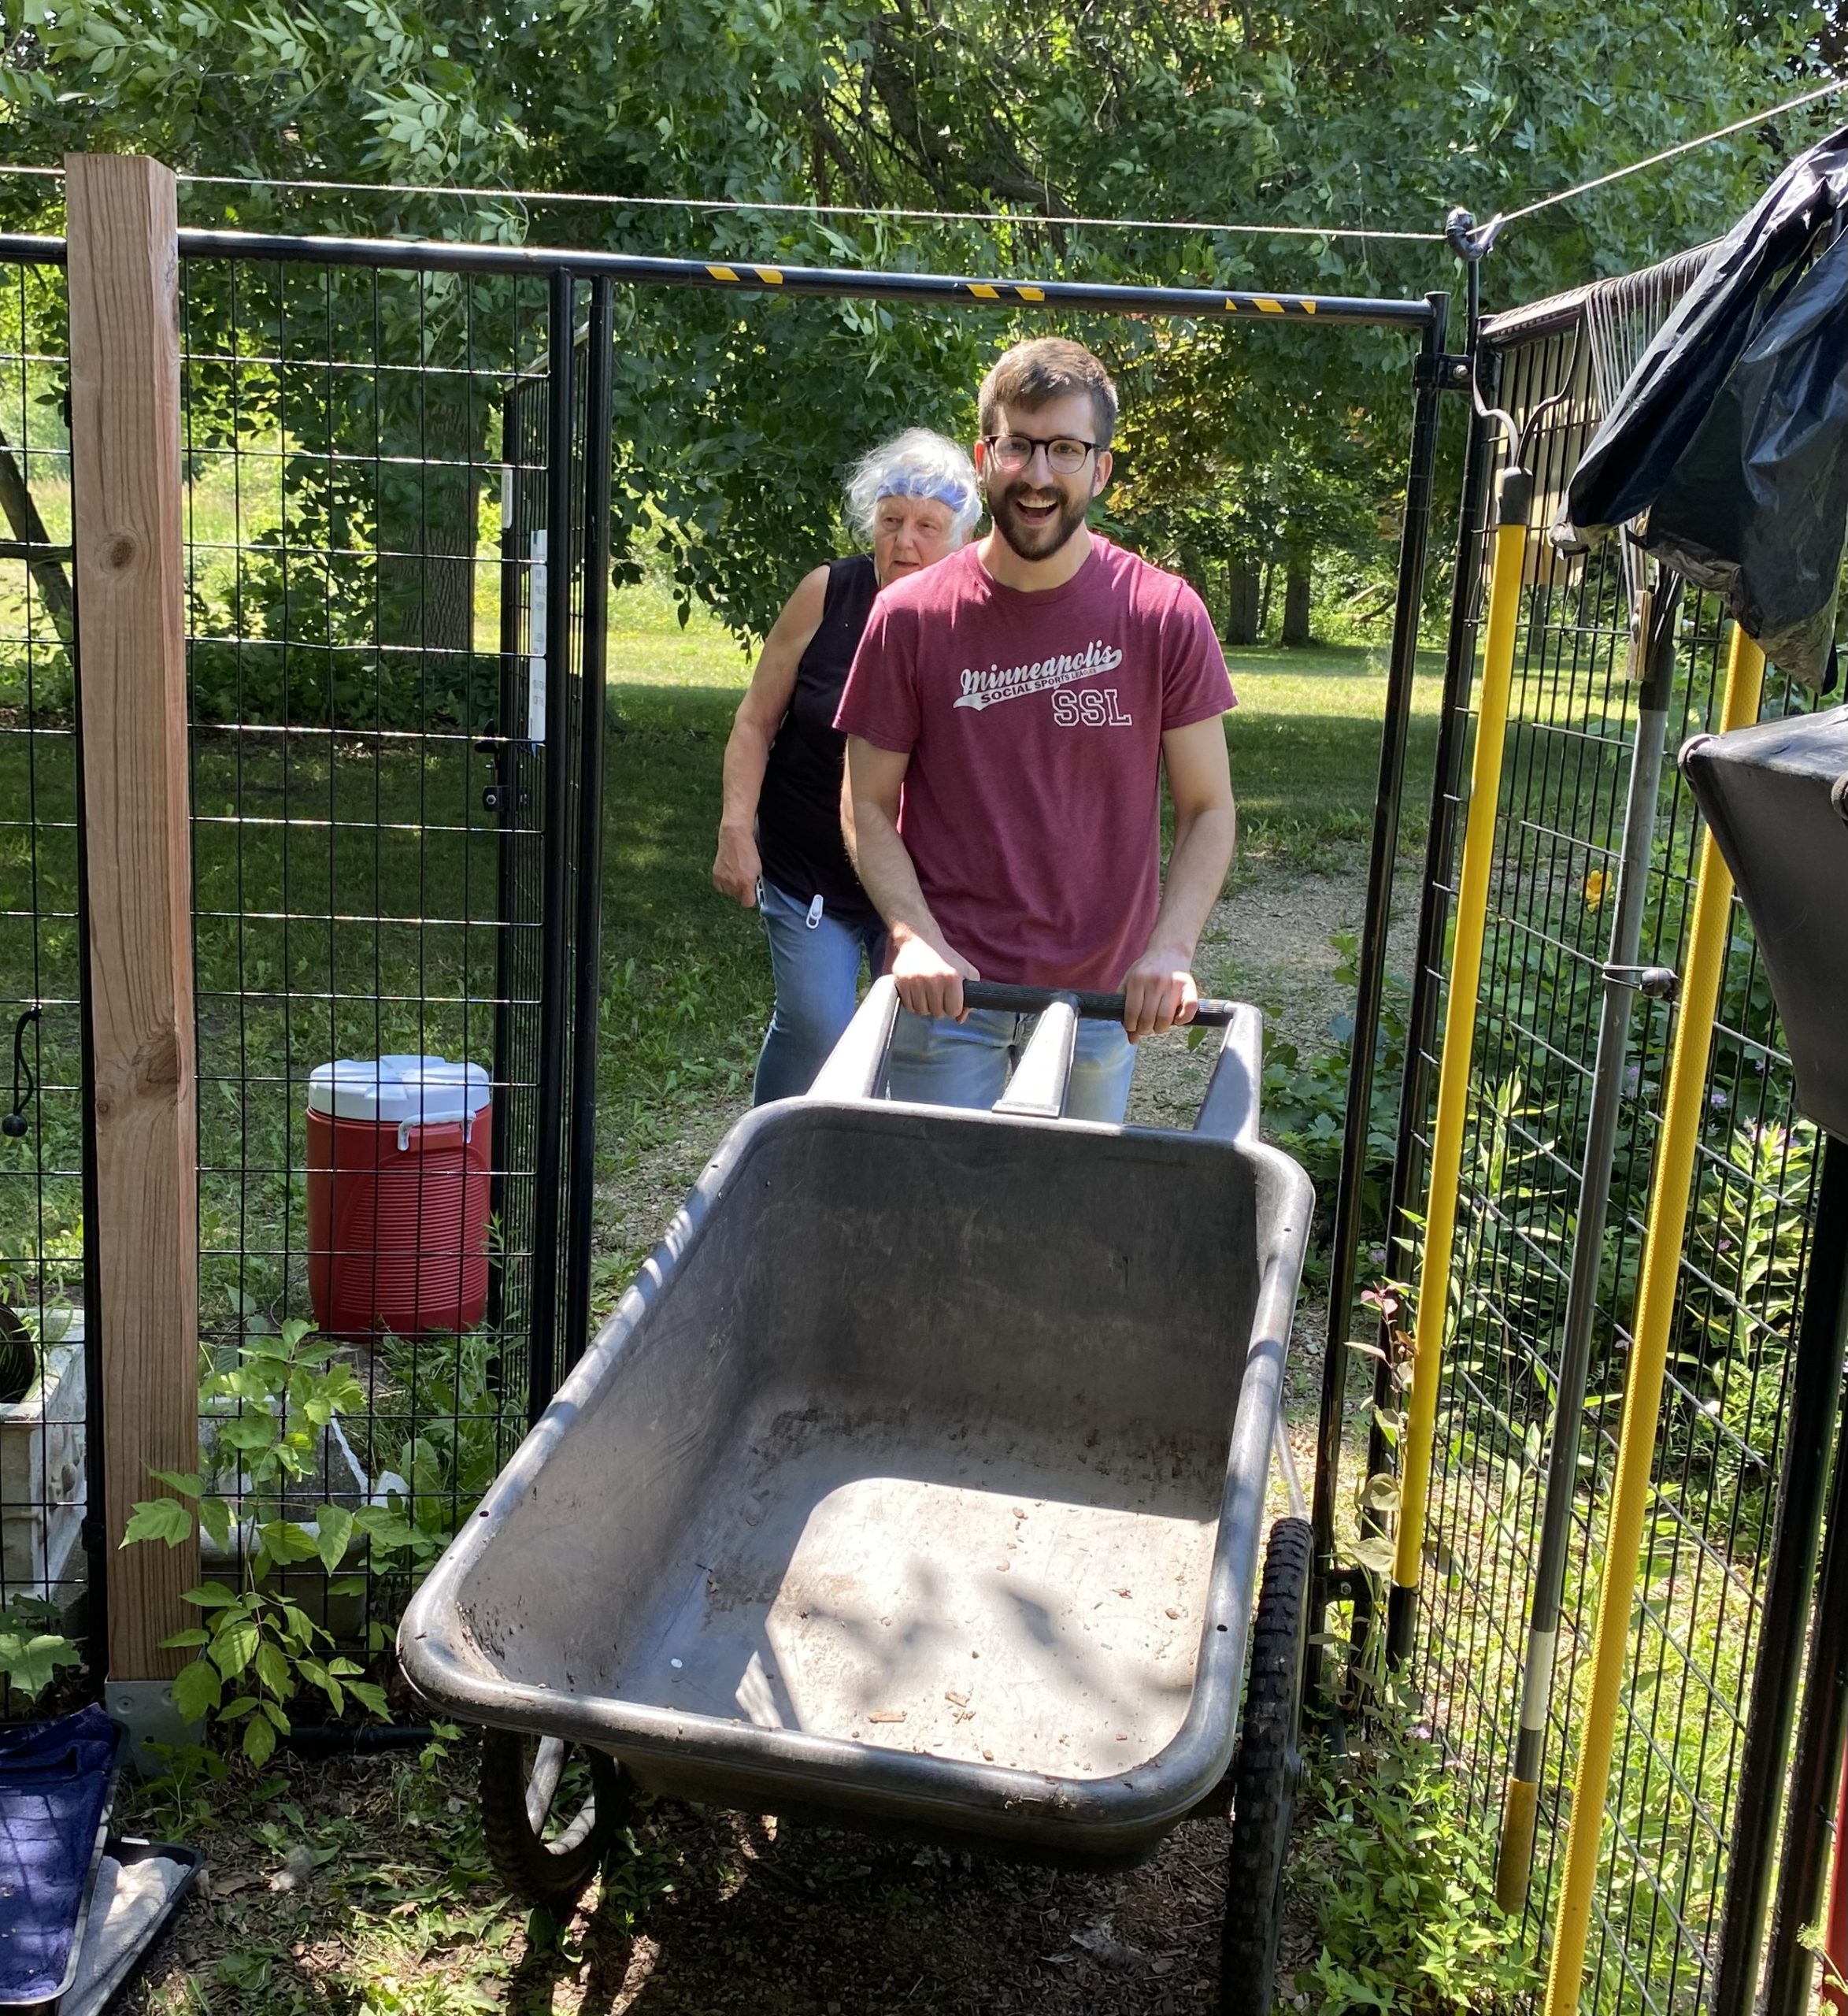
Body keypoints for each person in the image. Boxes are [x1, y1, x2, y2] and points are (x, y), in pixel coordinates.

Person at [837, 337, 1237, 1125]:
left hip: (1098, 1004)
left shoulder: (1162, 614)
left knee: (1067, 1230)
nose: (1039, 473)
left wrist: (1171, 949)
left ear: (1101, 468)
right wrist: (913, 937)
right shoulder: (910, 617)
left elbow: (1209, 808)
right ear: (985, 459)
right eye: (1018, 446)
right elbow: (865, 803)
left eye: (1065, 448)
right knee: (943, 1228)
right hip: (949, 998)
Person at [713, 428, 980, 1102]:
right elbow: (755, 719)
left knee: (912, 1047)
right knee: (817, 1027)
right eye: (891, 521)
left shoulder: (979, 618)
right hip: (809, 872)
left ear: (962, 538)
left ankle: (865, 1170)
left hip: (922, 887)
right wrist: (735, 828)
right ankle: (767, 1154)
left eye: (927, 526)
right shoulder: (827, 593)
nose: (905, 541)